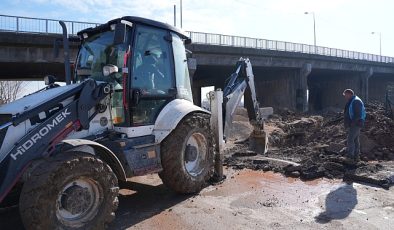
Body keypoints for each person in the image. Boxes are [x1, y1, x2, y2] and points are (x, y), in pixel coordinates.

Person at [343, 89, 366, 163]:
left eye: (345, 95)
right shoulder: (352, 100)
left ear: (349, 94)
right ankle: (356, 157)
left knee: (350, 139)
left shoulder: (356, 101)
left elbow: (358, 115)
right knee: (355, 140)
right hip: (355, 123)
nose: (345, 97)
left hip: (356, 124)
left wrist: (352, 124)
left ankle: (351, 157)